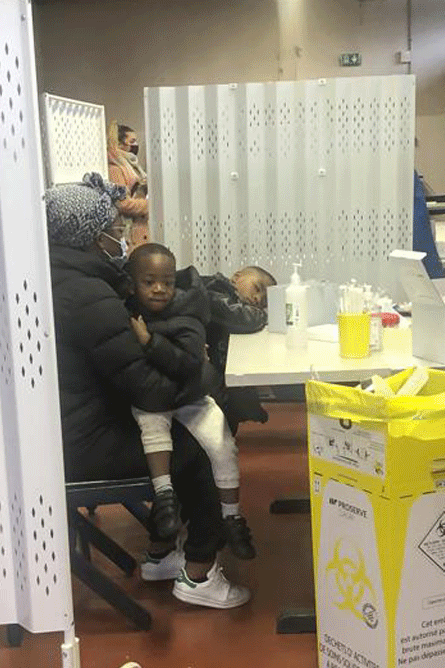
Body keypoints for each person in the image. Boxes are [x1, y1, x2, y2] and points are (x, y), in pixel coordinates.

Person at [48, 172, 249, 609]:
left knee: (182, 430)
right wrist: (207, 375)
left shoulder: (58, 278)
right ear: (91, 236)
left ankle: (160, 556)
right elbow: (151, 390)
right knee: (201, 444)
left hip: (65, 430)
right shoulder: (86, 295)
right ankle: (199, 574)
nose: (121, 236)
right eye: (114, 229)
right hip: (83, 444)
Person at [125, 244, 255, 560]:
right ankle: (164, 501)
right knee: (151, 421)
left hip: (191, 395)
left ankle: (232, 517)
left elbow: (187, 363)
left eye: (167, 282)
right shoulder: (123, 311)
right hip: (155, 398)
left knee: (222, 443)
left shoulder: (189, 311)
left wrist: (148, 342)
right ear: (133, 283)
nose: (159, 289)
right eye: (149, 282)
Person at [195, 265, 275, 432]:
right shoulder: (213, 287)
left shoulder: (231, 297)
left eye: (265, 300)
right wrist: (264, 315)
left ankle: (243, 411)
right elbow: (236, 316)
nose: (258, 298)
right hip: (199, 358)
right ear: (237, 277)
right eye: (258, 288)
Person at [107, 122, 150, 247]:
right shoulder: (115, 168)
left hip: (140, 227)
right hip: (129, 232)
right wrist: (149, 204)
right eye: (132, 141)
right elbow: (122, 204)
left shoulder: (131, 165)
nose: (135, 145)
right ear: (119, 144)